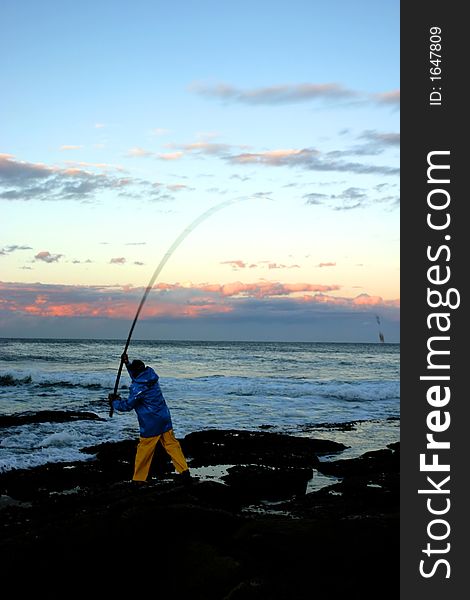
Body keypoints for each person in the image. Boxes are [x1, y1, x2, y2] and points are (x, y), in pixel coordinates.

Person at [108, 353, 191, 484]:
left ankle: (139, 479)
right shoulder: (151, 377)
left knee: (144, 450)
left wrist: (115, 402)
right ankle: (184, 471)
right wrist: (127, 363)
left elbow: (128, 405)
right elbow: (137, 378)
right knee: (172, 445)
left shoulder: (138, 387)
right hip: (164, 418)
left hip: (151, 423)